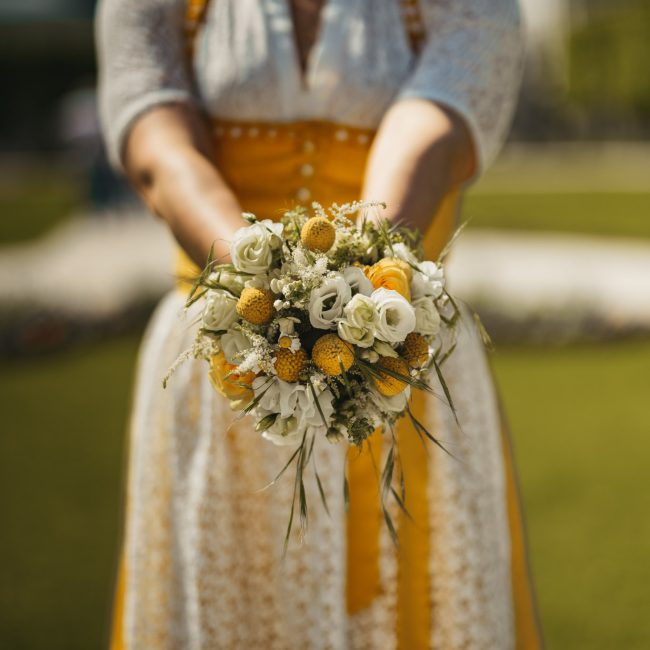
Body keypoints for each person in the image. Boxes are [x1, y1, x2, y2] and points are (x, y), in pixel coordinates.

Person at [97, 0, 542, 648]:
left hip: (397, 349)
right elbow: (159, 146)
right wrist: (260, 292)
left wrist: (359, 290)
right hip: (224, 364)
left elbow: (434, 131)